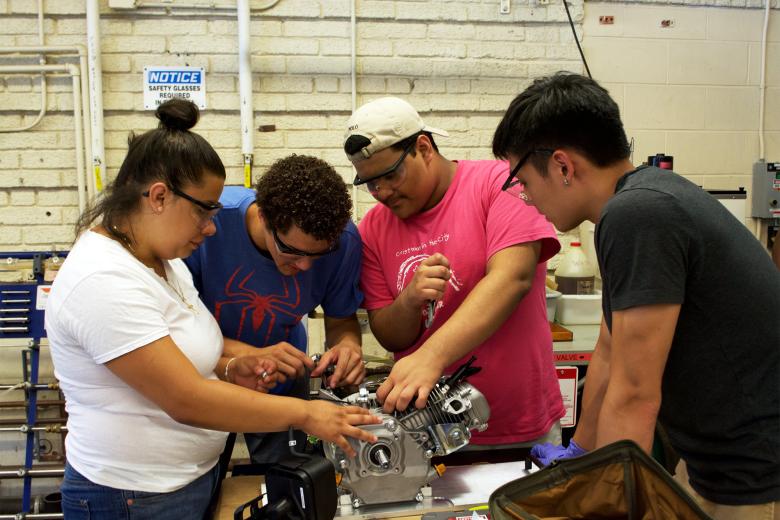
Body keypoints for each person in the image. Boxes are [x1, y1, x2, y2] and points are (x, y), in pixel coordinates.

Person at [45, 99, 379, 519]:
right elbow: (184, 397)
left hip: (184, 482)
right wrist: (309, 414)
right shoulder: (101, 280)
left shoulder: (162, 264)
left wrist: (231, 365)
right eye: (204, 211)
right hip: (132, 496)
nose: (210, 227)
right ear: (159, 197)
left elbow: (188, 351)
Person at [492, 72, 780, 518]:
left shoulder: (638, 215)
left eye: (523, 181)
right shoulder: (637, 203)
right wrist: (583, 455)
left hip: (754, 476)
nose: (526, 198)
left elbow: (635, 393)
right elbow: (609, 352)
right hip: (716, 462)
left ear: (564, 166)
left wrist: (604, 504)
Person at [343, 97, 565, 448]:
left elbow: (513, 278)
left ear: (423, 147)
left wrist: (431, 357)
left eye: (390, 175)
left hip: (518, 426)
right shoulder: (372, 229)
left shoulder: (499, 183)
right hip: (426, 432)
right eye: (370, 183)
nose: (382, 192)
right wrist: (409, 300)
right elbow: (390, 336)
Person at [184, 154, 366, 464]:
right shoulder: (207, 226)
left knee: (285, 476)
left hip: (282, 376)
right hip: (200, 372)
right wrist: (243, 356)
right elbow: (176, 330)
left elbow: (341, 319)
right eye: (292, 252)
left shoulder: (344, 241)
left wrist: (347, 346)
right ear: (264, 218)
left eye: (317, 255)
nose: (305, 266)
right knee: (200, 473)